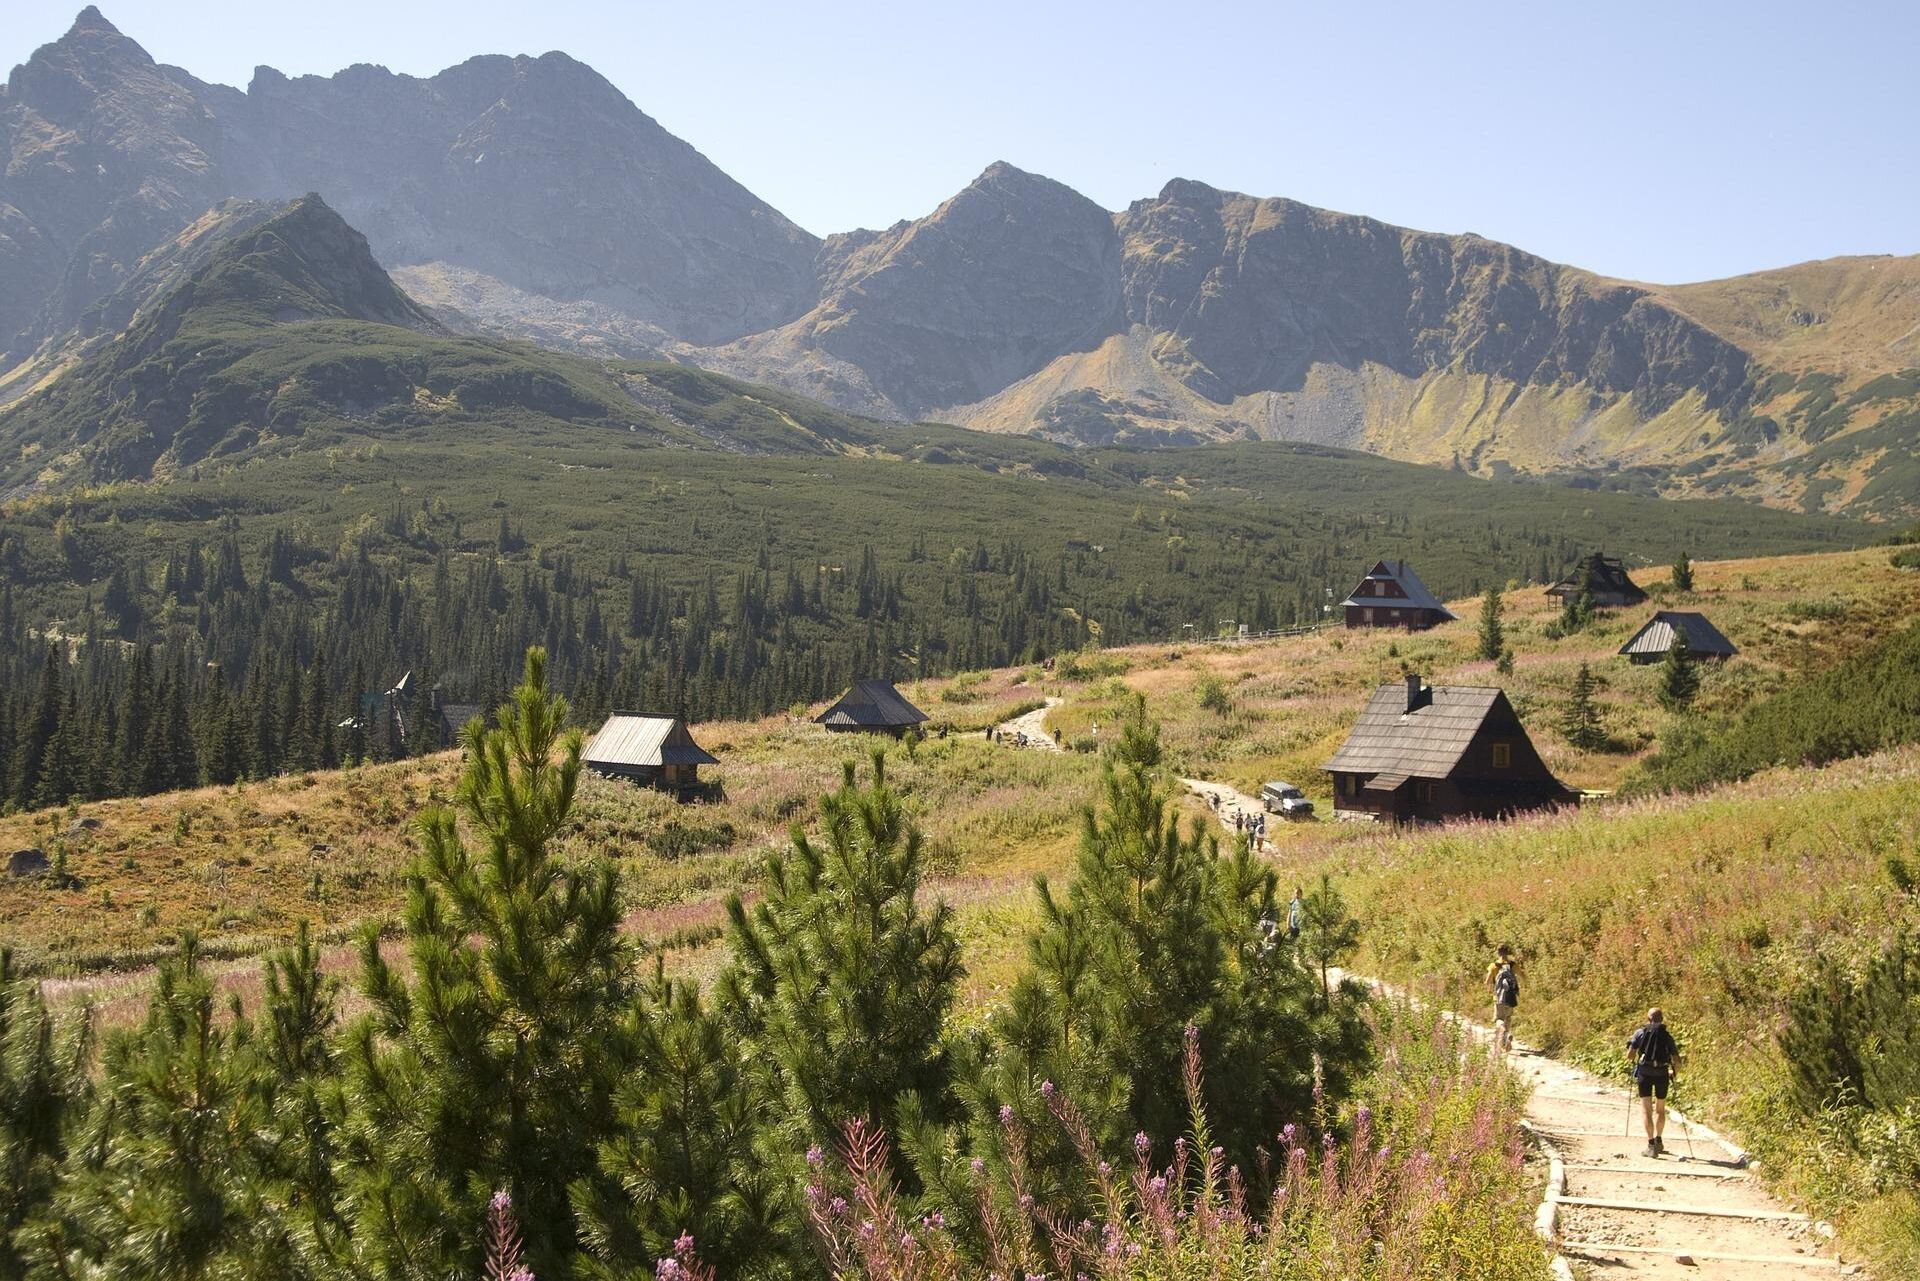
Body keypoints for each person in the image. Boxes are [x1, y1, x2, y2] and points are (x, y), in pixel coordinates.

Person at [1627, 1008, 1682, 1157]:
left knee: (1646, 1109)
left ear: (1648, 1019)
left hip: (1645, 1074)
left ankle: (1650, 1146)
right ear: (1662, 1019)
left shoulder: (1640, 1033)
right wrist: (1673, 1073)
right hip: (1662, 1074)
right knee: (1660, 1109)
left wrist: (1634, 1051)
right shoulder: (1667, 1036)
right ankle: (1659, 1140)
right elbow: (1677, 1061)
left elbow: (1630, 1056)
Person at [1485, 946, 1521, 1054]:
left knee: (1499, 1019)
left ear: (1498, 952)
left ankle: (1505, 1034)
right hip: (1510, 997)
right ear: (1507, 952)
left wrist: (1489, 989)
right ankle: (1506, 1038)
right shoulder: (1513, 965)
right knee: (1508, 1018)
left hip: (1498, 997)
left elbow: (1487, 981)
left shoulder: (1493, 966)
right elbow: (1523, 976)